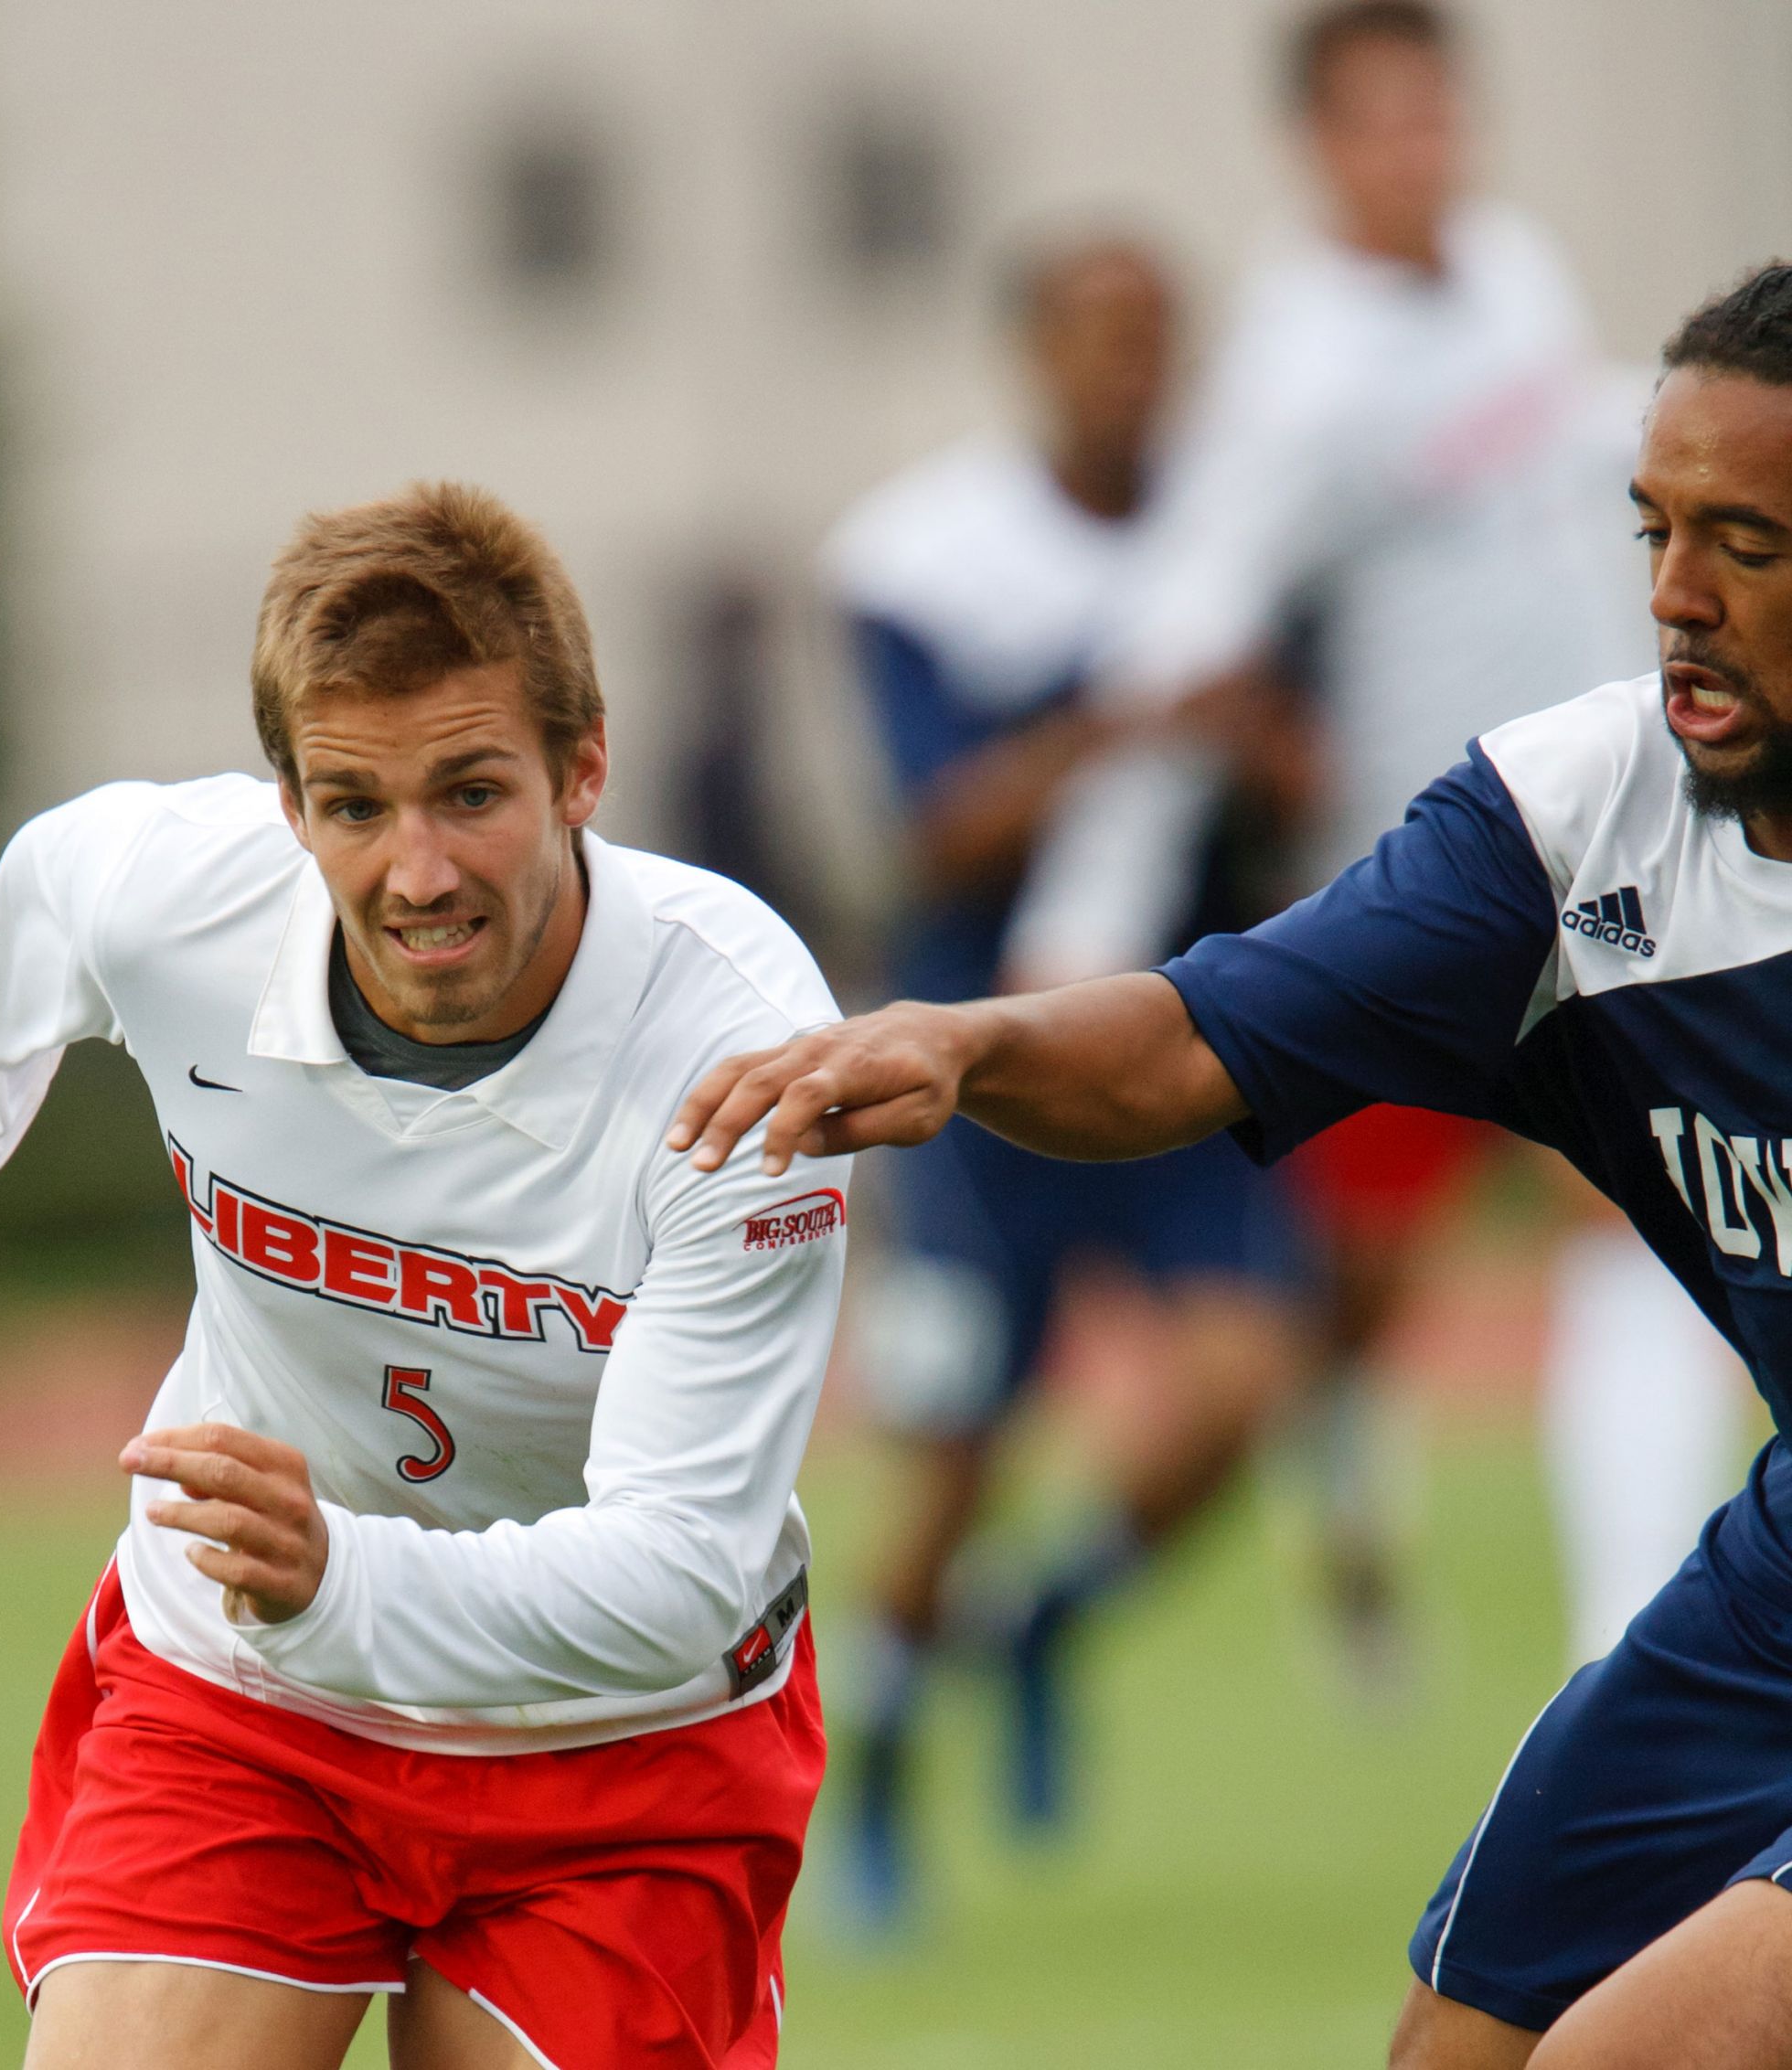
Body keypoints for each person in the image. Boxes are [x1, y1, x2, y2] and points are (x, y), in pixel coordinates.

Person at [668, 263, 1792, 2068]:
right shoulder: (1576, 820)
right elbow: (1197, 1035)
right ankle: (933, 1711)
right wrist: (966, 1042)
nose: (1669, 598)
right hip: (1775, 1586)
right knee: (1456, 2046)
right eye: (1650, 528)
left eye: (1742, 542)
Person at [0, 484, 851, 2070]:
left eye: (471, 792)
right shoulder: (181, 896)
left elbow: (678, 1574)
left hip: (627, 1751)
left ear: (585, 768)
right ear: (291, 808)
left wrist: (339, 1582)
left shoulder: (741, 1055)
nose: (418, 873)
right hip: (246, 1701)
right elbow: (50, 885)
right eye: (355, 806)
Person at [1005, 0, 1737, 1677]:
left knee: (1633, 1211)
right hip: (1434, 881)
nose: (1424, 153)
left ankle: (1621, 1634)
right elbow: (1188, 639)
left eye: (1441, 117)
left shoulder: (1514, 279)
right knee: (1341, 1307)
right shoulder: (1297, 372)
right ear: (1321, 148)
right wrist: (1087, 913)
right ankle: (1237, 1554)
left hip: (1612, 850)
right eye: (1386, 124)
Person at [820, 236, 1314, 1897]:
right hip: (977, 1073)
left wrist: (1251, 743)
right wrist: (1118, 720)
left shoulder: (1238, 539)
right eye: (1101, 341)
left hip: (1177, 1047)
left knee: (1246, 1384)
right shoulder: (927, 558)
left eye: (1158, 340)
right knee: (955, 1463)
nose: (1133, 374)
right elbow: (934, 831)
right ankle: (882, 1765)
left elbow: (1305, 791)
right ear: (1032, 353)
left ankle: (1044, 1620)